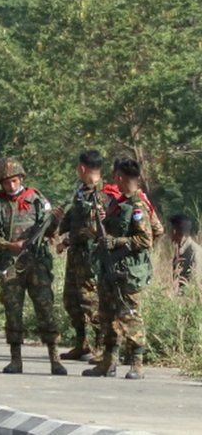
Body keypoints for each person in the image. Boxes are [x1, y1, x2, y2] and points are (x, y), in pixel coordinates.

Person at [0, 158, 67, 375]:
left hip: (37, 263)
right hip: (10, 263)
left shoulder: (36, 199)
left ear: (21, 178)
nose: (11, 185)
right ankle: (16, 359)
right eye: (6, 182)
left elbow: (50, 233)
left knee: (45, 308)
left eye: (14, 180)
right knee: (13, 310)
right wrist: (10, 245)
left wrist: (56, 221)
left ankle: (54, 358)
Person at [83, 158, 153, 379]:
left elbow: (146, 239)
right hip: (110, 269)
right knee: (108, 316)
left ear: (120, 177)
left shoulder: (137, 206)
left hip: (127, 272)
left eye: (115, 176)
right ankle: (109, 362)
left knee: (130, 316)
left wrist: (118, 242)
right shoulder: (117, 203)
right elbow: (105, 232)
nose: (114, 179)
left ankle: (137, 364)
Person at [55, 150, 109, 362]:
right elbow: (76, 222)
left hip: (91, 257)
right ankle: (81, 344)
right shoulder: (80, 192)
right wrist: (63, 238)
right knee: (71, 300)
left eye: (78, 167)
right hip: (75, 254)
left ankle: (101, 347)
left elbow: (101, 228)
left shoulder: (103, 194)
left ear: (83, 168)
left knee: (91, 303)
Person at [169, 214, 199, 291]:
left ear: (174, 231)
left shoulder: (194, 252)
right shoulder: (180, 249)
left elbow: (195, 283)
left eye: (171, 229)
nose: (169, 233)